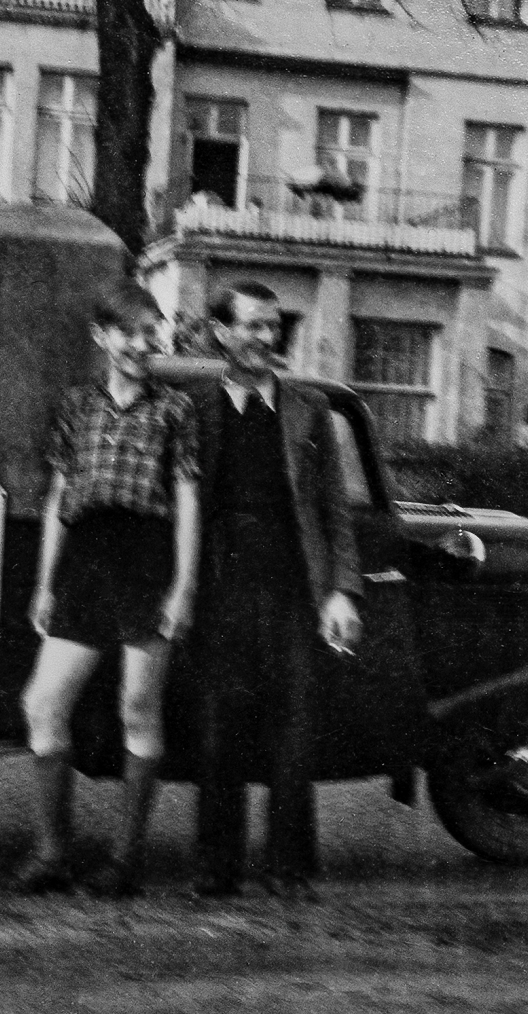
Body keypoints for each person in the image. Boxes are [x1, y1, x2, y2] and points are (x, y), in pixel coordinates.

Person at [13, 281, 201, 897]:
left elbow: (187, 502)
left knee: (138, 708)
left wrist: (183, 588)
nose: (141, 346)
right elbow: (59, 498)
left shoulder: (174, 410)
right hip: (87, 563)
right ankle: (52, 854)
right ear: (102, 337)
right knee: (43, 704)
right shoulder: (77, 406)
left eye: (151, 333)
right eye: (128, 334)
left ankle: (126, 861)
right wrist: (46, 584)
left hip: (146, 561)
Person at [186, 281, 362, 898]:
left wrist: (342, 592)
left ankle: (289, 869)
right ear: (221, 333)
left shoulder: (308, 409)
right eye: (252, 326)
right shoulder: (194, 410)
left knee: (294, 730)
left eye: (272, 326)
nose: (265, 337)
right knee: (218, 731)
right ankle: (217, 869)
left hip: (292, 591)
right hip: (219, 590)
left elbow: (335, 508)